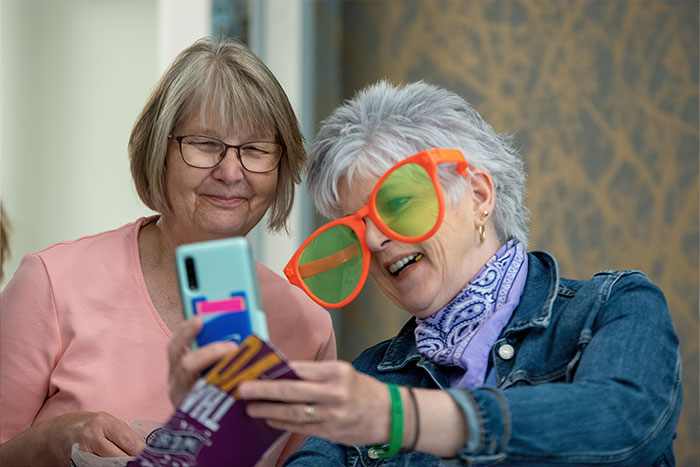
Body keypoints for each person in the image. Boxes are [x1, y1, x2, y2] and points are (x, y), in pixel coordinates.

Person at [170, 80, 682, 466]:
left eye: (398, 203)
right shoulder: (371, 376)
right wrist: (212, 430)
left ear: (479, 195)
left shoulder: (614, 306)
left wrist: (397, 416)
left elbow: (624, 422)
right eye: (352, 230)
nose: (373, 240)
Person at [0, 37, 335, 466]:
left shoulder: (308, 330)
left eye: (254, 150)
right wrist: (53, 440)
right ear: (159, 151)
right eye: (205, 144)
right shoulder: (50, 283)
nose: (231, 172)